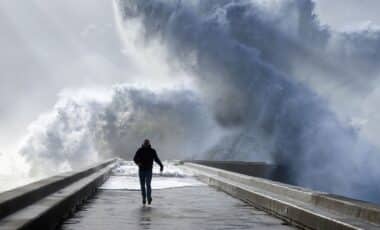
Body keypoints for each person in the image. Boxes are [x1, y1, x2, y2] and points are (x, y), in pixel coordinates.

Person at [133, 139, 164, 205]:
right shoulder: (140, 150)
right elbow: (134, 158)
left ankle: (149, 198)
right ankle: (144, 198)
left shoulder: (152, 151)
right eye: (145, 143)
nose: (146, 144)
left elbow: (156, 159)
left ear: (149, 144)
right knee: (142, 185)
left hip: (149, 170)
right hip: (141, 170)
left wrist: (161, 165)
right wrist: (138, 163)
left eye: (147, 143)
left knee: (148, 184)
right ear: (143, 143)